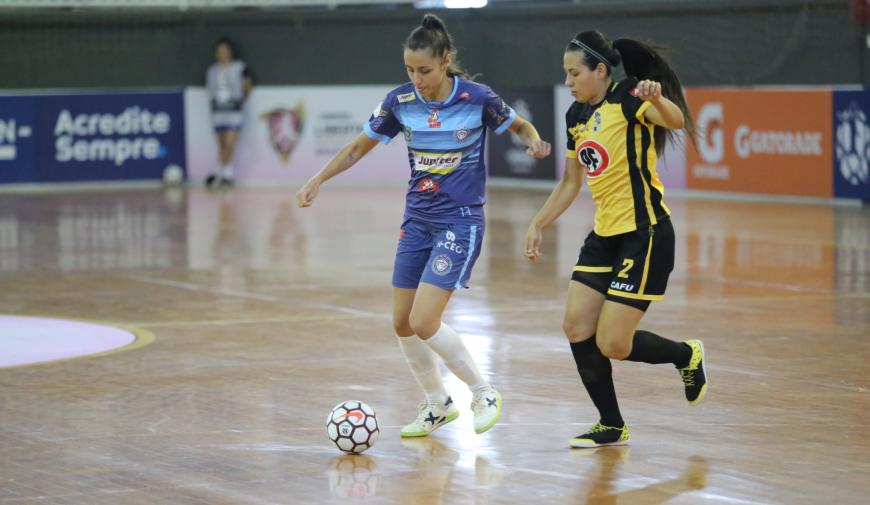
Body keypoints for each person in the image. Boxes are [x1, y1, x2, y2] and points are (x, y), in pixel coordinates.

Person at [297, 14, 551, 437]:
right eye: (410, 70)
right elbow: (357, 148)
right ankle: (437, 402)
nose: (417, 78)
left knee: (424, 321)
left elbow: (520, 125)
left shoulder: (477, 98)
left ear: (447, 61)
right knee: (401, 321)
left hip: (460, 218)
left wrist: (532, 139)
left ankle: (482, 390)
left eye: (425, 70)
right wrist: (318, 178)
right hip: (417, 220)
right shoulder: (399, 103)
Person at [523, 30, 706, 447]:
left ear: (600, 70)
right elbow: (571, 182)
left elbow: (675, 121)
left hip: (646, 235)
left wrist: (657, 98)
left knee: (612, 343)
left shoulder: (629, 96)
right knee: (575, 326)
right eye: (565, 74)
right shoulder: (575, 116)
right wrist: (539, 221)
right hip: (604, 236)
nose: (568, 82)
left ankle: (686, 355)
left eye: (574, 73)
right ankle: (611, 423)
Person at [205, 37, 252, 188]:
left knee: (230, 143)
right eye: (219, 52)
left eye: (224, 51)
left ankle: (226, 173)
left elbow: (247, 85)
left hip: (234, 111)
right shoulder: (212, 71)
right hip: (218, 111)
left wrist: (241, 101)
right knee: (221, 143)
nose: (222, 54)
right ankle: (222, 172)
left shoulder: (239, 67)